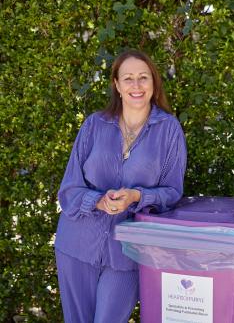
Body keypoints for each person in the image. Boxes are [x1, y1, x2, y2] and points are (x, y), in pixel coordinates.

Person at [54, 50, 187, 322]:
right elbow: (68, 190)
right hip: (76, 244)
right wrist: (98, 201)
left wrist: (137, 196)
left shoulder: (169, 129)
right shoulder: (94, 125)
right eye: (128, 79)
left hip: (128, 252)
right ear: (116, 84)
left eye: (143, 78)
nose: (136, 86)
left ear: (154, 83)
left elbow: (172, 192)